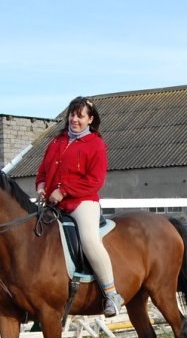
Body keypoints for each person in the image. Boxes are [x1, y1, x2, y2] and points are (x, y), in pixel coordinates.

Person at [35, 96, 124, 317]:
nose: (74, 120)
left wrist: (64, 191)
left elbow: (95, 181)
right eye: (72, 115)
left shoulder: (96, 145)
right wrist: (41, 185)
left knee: (89, 240)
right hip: (53, 204)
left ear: (90, 119)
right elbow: (43, 170)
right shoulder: (56, 142)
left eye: (80, 116)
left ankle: (111, 294)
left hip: (81, 202)